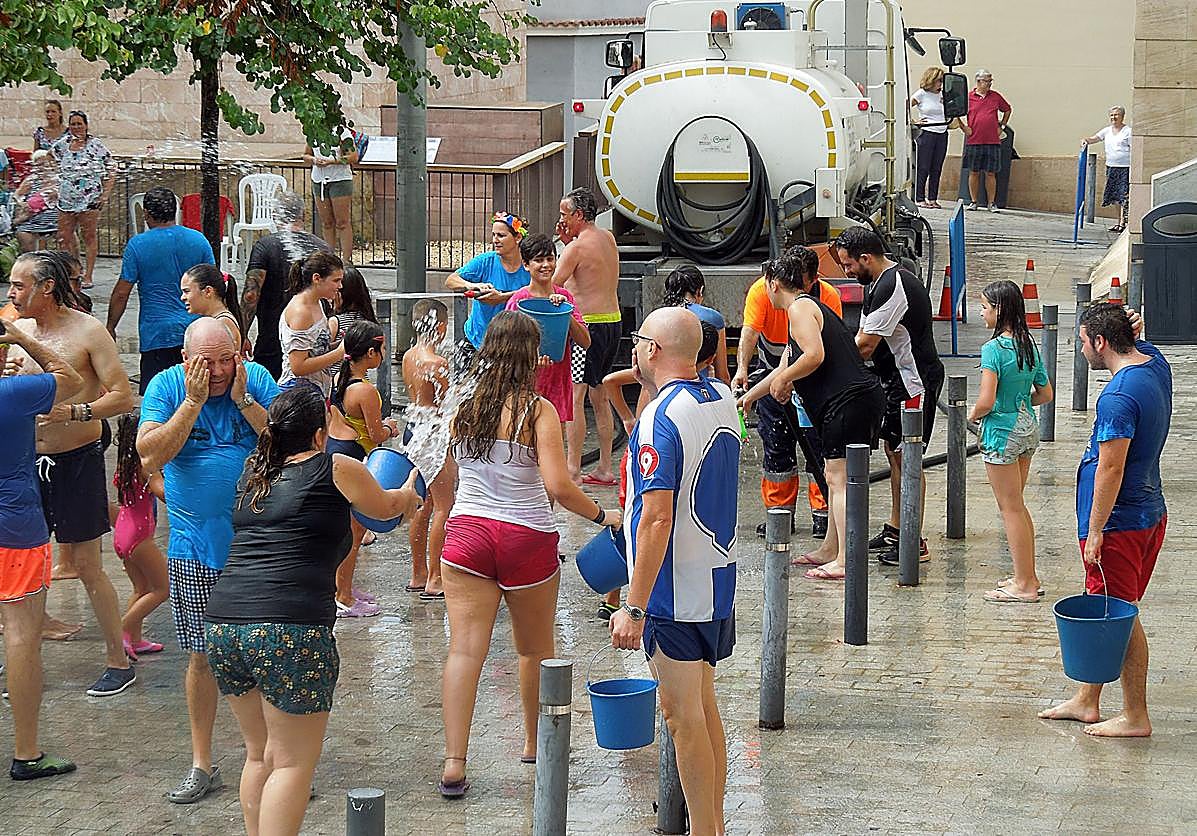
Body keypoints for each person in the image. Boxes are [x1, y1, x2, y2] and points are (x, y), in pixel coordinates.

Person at [205, 387, 421, 836]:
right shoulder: (336, 466)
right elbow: (386, 508)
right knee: (291, 764)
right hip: (290, 629)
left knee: (258, 753)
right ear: (320, 435)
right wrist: (410, 492)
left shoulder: (253, 471)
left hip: (225, 626)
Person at [438, 311, 621, 798]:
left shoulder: (463, 404)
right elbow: (559, 487)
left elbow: (447, 474)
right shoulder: (537, 410)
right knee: (534, 649)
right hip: (525, 538)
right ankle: (534, 744)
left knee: (463, 651)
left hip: (467, 537)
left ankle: (454, 761)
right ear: (534, 356)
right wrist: (606, 518)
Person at [138, 317, 279, 803]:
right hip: (195, 549)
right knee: (202, 655)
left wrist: (244, 400)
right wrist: (193, 403)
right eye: (207, 362)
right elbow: (149, 455)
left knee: (266, 652)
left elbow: (292, 441)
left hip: (259, 546)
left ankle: (268, 759)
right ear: (185, 359)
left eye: (226, 359)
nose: (218, 371)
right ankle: (202, 763)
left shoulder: (254, 379)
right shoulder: (167, 386)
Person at [609, 306, 739, 836]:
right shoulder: (724, 399)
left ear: (655, 351)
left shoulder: (658, 419)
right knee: (704, 711)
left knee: (681, 719)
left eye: (638, 341)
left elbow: (657, 517)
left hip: (672, 592)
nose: (634, 349)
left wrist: (632, 605)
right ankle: (715, 825)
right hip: (716, 580)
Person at [6, 252, 137, 696]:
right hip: (23, 463)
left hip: (75, 459)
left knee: (85, 564)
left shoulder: (87, 331)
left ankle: (117, 659)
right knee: (23, 559)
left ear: (46, 288)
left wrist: (76, 410)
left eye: (20, 286)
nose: (10, 293)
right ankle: (24, 655)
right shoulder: (18, 330)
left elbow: (122, 397)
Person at [1039, 304, 1170, 738]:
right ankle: (1088, 699)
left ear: (1100, 342)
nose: (1080, 350)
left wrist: (1095, 531)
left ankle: (1135, 716)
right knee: (1107, 606)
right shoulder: (1154, 365)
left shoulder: (1117, 396)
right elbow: (1141, 345)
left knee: (1121, 615)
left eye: (1082, 341)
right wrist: (1136, 331)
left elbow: (1111, 468)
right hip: (1148, 512)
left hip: (1121, 523)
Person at [739, 248, 884, 581]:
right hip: (851, 400)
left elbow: (814, 356)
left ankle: (847, 560)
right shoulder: (808, 307)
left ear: (774, 283)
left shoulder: (799, 308)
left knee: (838, 481)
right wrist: (748, 398)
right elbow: (783, 368)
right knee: (834, 480)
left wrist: (788, 379)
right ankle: (831, 549)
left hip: (848, 402)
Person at [0, 317, 84, 780]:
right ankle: (27, 752)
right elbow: (70, 379)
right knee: (20, 636)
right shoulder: (14, 395)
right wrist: (23, 338)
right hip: (15, 530)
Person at [835, 226, 944, 567]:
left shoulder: (893, 286)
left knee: (907, 457)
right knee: (894, 452)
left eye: (849, 265)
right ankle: (898, 527)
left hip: (914, 382)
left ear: (866, 258)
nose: (846, 272)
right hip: (897, 379)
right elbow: (862, 335)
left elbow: (866, 345)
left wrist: (829, 362)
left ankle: (914, 540)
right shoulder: (877, 285)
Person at [733, 254, 844, 540]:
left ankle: (823, 516)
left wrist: (787, 380)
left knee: (819, 451)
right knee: (777, 448)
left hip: (813, 383)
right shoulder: (763, 292)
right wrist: (743, 372)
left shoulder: (818, 301)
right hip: (775, 375)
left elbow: (818, 354)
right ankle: (780, 514)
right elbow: (752, 334)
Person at [968, 281, 1053, 603]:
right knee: (1017, 504)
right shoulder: (1027, 344)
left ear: (999, 310)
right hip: (1026, 428)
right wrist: (1019, 403)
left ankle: (1024, 584)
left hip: (1001, 434)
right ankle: (1027, 575)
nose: (981, 312)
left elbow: (986, 401)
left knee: (1010, 508)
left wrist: (970, 415)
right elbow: (1045, 394)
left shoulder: (993, 350)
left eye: (985, 307)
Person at [108, 186, 214, 394]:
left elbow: (122, 292)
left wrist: (111, 326)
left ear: (146, 214)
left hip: (156, 335)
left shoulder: (138, 245)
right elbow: (214, 284)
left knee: (157, 396)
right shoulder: (198, 240)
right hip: (195, 332)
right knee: (195, 392)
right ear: (175, 211)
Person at [326, 321, 400, 616]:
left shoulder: (337, 380)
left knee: (344, 532)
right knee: (353, 535)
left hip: (336, 452)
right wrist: (391, 427)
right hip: (355, 458)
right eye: (381, 350)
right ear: (371, 353)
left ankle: (341, 587)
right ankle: (343, 597)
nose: (382, 355)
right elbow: (375, 435)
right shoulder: (365, 391)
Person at [553, 188, 622, 486]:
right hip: (614, 322)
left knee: (575, 397)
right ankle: (605, 467)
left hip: (588, 328)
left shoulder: (575, 249)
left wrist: (563, 245)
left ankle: (572, 470)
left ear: (578, 215)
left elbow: (550, 285)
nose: (561, 220)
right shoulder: (607, 237)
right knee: (600, 395)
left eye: (564, 215)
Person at [400, 301, 458, 603]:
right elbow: (447, 403)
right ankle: (436, 577)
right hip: (433, 432)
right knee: (444, 506)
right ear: (441, 326)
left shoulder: (409, 356)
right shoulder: (438, 363)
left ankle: (418, 572)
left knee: (424, 503)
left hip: (414, 427)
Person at [242, 190, 333, 379]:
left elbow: (251, 295)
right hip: (312, 342)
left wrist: (242, 334)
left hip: (271, 339)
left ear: (276, 216)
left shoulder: (265, 246)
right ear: (304, 215)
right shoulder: (322, 248)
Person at [504, 231, 591, 429]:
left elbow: (585, 342)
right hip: (525, 385)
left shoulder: (565, 297)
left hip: (557, 383)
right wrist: (531, 360)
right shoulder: (517, 301)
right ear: (526, 265)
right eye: (538, 260)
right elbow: (505, 350)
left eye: (550, 259)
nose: (546, 265)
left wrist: (565, 312)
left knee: (555, 445)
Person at [111, 411, 169, 659]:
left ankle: (133, 638)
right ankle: (121, 628)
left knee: (141, 587)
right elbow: (164, 494)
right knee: (163, 589)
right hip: (139, 537)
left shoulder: (124, 463)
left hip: (123, 533)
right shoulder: (147, 465)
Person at [443, 211, 531, 365]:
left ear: (517, 238)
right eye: (493, 235)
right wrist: (472, 285)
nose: (495, 240)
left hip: (514, 343)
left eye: (501, 236)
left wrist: (502, 297)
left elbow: (536, 292)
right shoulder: (485, 261)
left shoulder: (529, 265)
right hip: (478, 341)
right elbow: (451, 280)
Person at [52, 111, 115, 288]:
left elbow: (112, 169)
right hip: (66, 199)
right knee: (64, 237)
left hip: (90, 199)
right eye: (73, 124)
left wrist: (105, 195)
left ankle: (88, 275)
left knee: (89, 236)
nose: (76, 127)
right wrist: (53, 181)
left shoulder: (96, 146)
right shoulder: (63, 145)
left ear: (86, 125)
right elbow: (48, 158)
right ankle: (71, 270)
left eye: (80, 124)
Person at [279, 251, 345, 397]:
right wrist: (339, 353)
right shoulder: (301, 312)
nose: (340, 286)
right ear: (317, 278)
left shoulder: (318, 303)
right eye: (336, 280)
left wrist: (345, 343)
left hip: (316, 388)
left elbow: (316, 347)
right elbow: (298, 366)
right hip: (298, 392)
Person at [661, 264, 731, 384]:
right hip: (696, 392)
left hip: (663, 392)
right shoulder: (712, 318)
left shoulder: (657, 318)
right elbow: (722, 375)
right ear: (700, 291)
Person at [962, 69, 1012, 212]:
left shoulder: (995, 96)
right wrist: (963, 127)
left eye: (991, 81)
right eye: (987, 81)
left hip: (992, 141)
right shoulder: (969, 97)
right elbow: (956, 111)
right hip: (974, 140)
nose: (989, 84)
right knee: (974, 171)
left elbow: (1007, 109)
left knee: (991, 173)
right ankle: (973, 201)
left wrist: (1002, 125)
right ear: (978, 81)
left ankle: (991, 203)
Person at [303, 132, 358, 262]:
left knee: (342, 222)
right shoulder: (314, 130)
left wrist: (332, 161)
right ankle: (329, 257)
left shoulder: (342, 132)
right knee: (327, 222)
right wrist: (314, 160)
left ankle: (346, 260)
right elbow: (306, 155)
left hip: (340, 179)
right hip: (319, 180)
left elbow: (353, 156)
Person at [1082, 106, 1132, 234]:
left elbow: (1134, 149)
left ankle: (1123, 223)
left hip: (1125, 167)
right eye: (1112, 115)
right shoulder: (1107, 131)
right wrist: (1086, 140)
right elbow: (1095, 138)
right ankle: (1118, 221)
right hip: (1112, 166)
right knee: (1115, 196)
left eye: (1116, 115)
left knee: (1124, 195)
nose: (1113, 118)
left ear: (1122, 116)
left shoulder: (1128, 131)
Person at [910, 67, 954, 209]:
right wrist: (914, 121)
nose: (941, 84)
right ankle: (919, 197)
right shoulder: (922, 94)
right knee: (923, 166)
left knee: (937, 167)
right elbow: (905, 105)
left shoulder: (943, 96)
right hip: (927, 132)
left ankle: (933, 198)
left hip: (942, 132)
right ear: (931, 80)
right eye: (939, 81)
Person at [328, 264, 377, 378]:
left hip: (336, 382)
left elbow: (322, 350)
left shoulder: (335, 322)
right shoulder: (367, 321)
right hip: (360, 379)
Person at [181, 264, 245, 349]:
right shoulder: (218, 320)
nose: (182, 298)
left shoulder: (222, 323)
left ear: (208, 291)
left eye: (187, 291)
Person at [12, 150, 59, 253]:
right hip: (33, 219)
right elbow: (16, 196)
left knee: (67, 232)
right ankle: (31, 262)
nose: (41, 167)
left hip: (57, 221)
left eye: (44, 164)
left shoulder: (59, 179)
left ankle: (71, 263)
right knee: (23, 232)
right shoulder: (31, 180)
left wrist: (58, 195)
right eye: (37, 165)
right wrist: (23, 204)